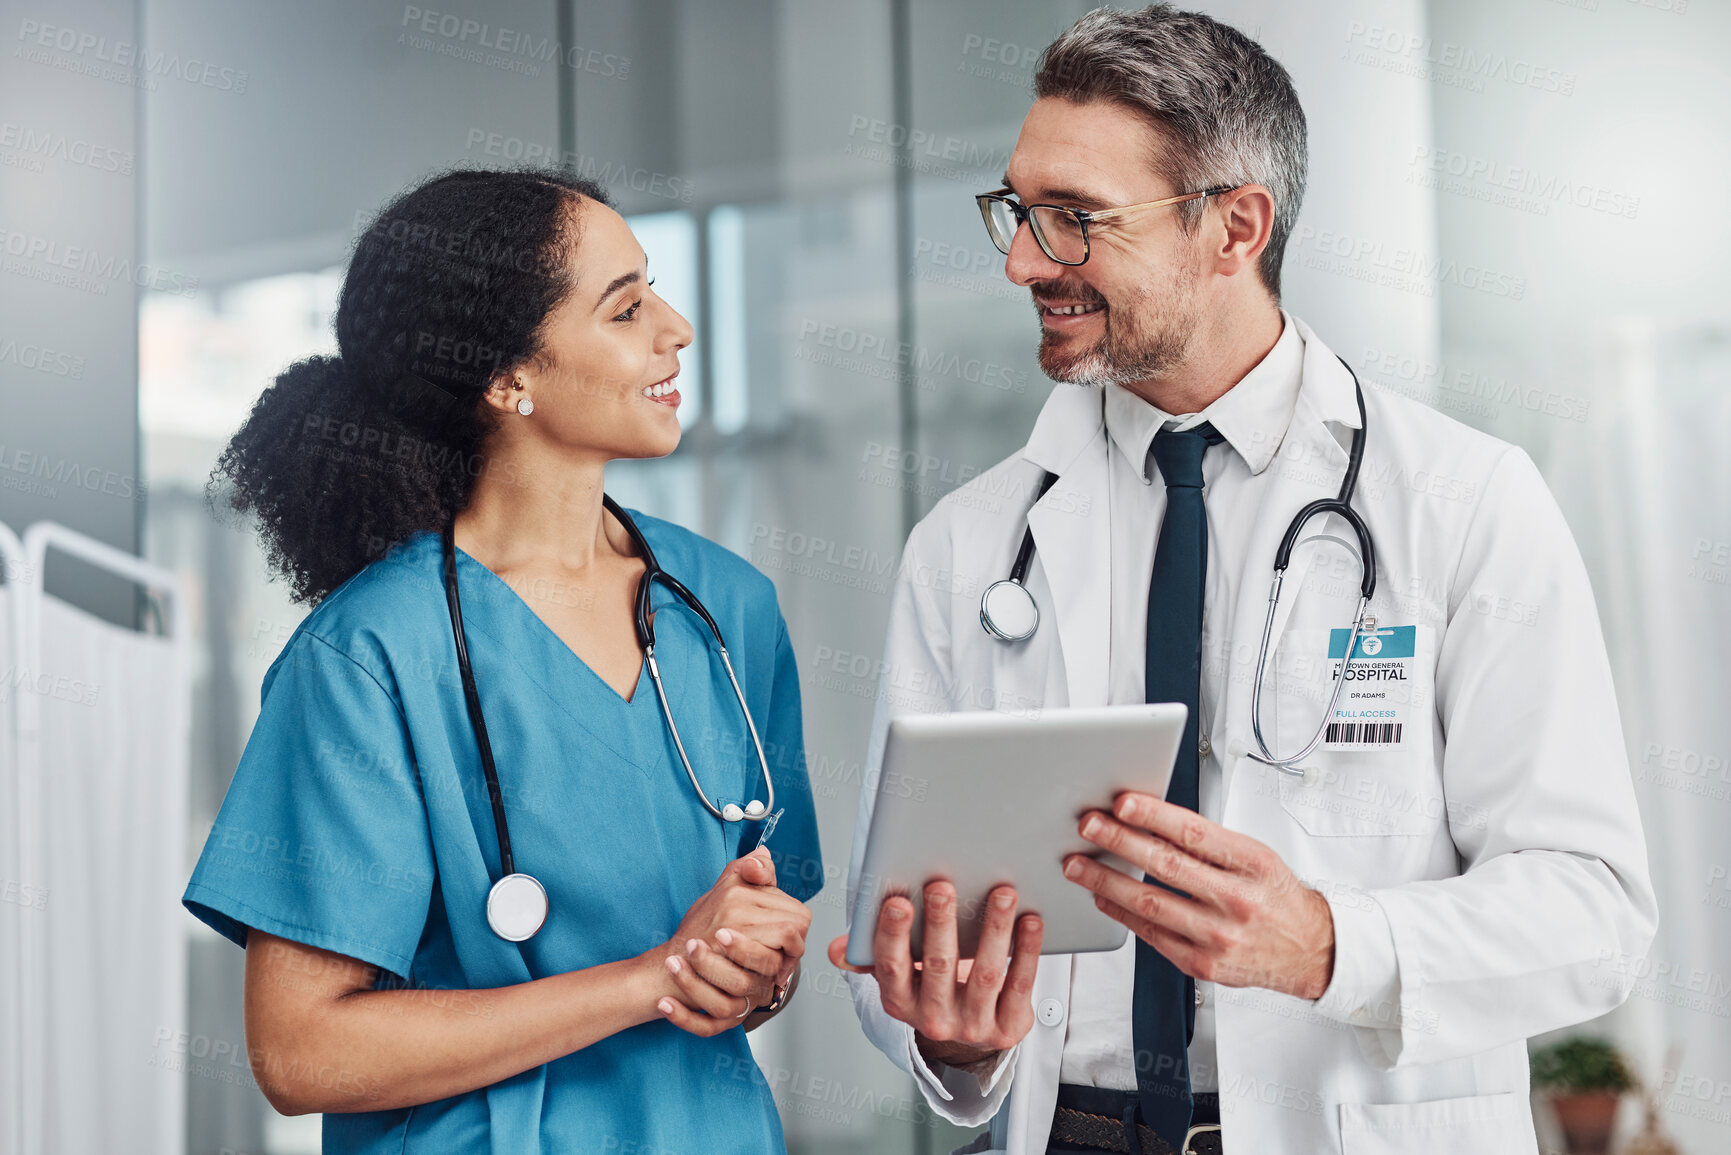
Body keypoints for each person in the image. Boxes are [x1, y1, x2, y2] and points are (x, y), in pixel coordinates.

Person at [831, 7, 1654, 1154]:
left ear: (1233, 228)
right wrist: (953, 1038)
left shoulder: (1465, 503)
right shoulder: (970, 543)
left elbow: (1595, 912)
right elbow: (899, 925)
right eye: (1019, 213)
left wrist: (1328, 943)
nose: (1024, 260)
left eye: (1074, 221)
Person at [182, 168, 821, 1154]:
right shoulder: (368, 658)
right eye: (627, 308)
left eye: (654, 286)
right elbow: (300, 1052)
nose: (677, 328)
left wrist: (753, 971)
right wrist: (652, 976)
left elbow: (753, 941)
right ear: (506, 379)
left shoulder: (725, 607)